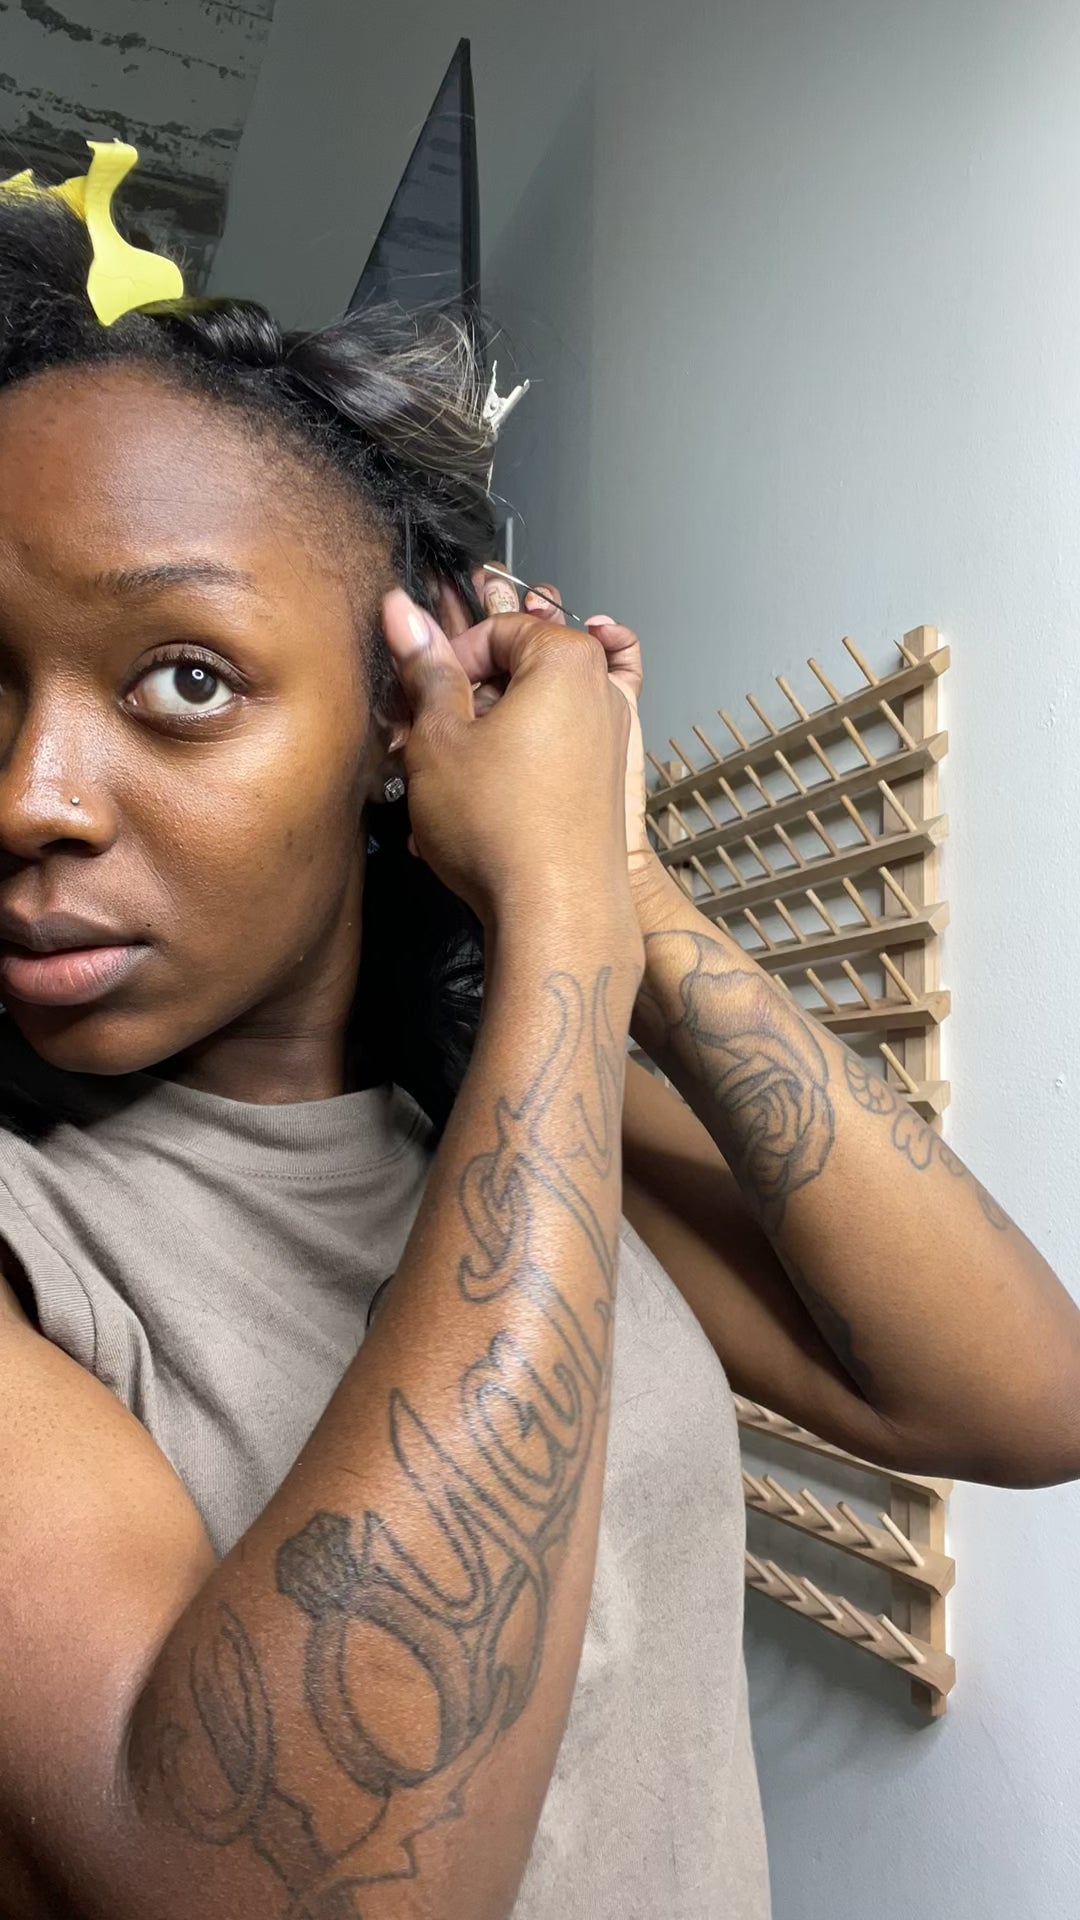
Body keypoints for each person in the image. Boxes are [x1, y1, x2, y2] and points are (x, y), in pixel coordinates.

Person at [0, 151, 1077, 1920]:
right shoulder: (33, 1251)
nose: (31, 796)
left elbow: (1024, 1398)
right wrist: (562, 901)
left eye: (182, 678)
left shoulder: (512, 1119)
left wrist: (619, 878)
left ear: (397, 731)